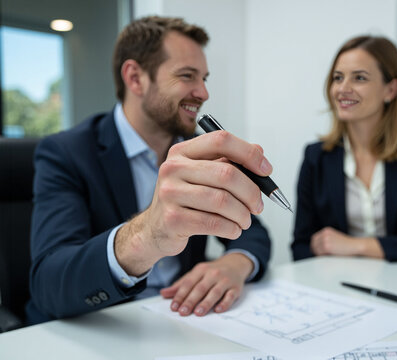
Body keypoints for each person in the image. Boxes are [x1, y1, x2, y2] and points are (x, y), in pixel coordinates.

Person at [27, 16, 272, 324]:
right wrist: (146, 235)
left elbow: (253, 232)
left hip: (180, 320)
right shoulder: (66, 152)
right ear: (135, 78)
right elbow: (49, 283)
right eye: (187, 76)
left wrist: (234, 264)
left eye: (204, 79)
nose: (203, 93)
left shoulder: (200, 150)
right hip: (101, 328)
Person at [291, 35, 397, 266]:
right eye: (338, 78)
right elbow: (301, 246)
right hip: (338, 286)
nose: (343, 89)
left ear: (390, 90)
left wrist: (356, 246)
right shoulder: (316, 157)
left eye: (359, 78)